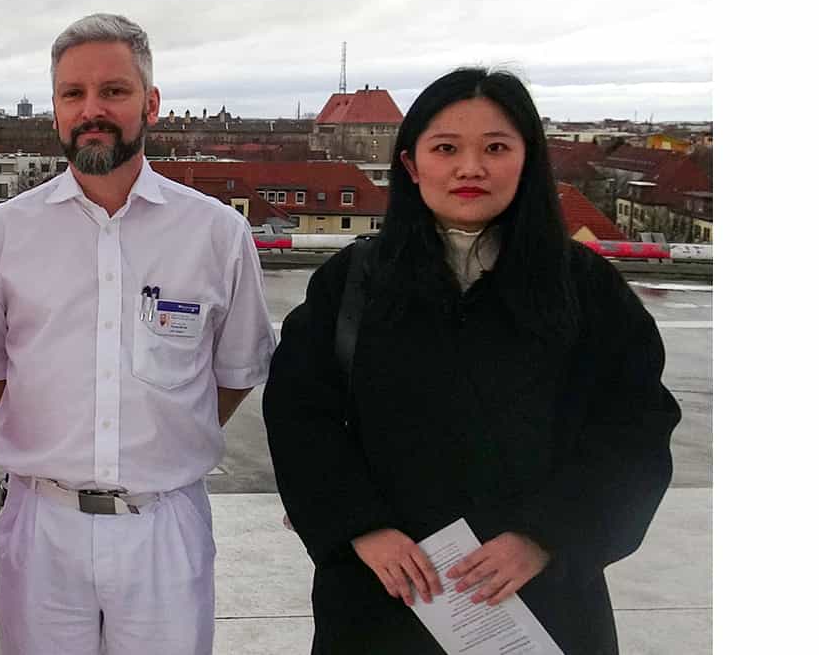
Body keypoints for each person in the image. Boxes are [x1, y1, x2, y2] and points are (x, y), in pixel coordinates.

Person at [263, 68, 680, 653]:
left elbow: (634, 431)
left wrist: (546, 536)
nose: (470, 168)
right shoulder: (354, 283)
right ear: (411, 165)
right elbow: (300, 416)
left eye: (496, 148)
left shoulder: (585, 288)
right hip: (384, 593)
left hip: (537, 599)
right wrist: (360, 527)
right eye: (445, 148)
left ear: (528, 161)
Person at [0, 13, 277, 654]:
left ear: (151, 103)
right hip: (43, 525)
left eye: (113, 91)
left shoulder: (215, 234)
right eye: (73, 93)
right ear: (55, 108)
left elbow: (235, 373)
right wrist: (63, 426)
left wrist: (158, 429)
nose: (91, 110)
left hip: (164, 525)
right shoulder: (3, 234)